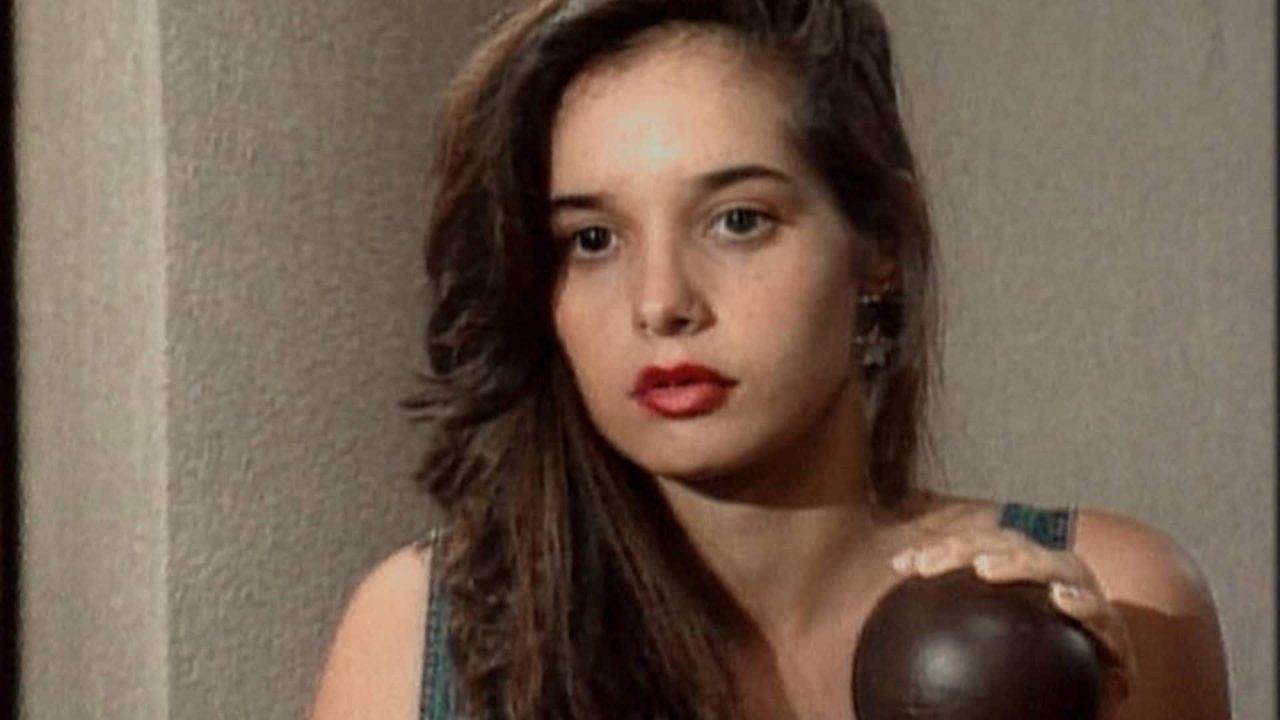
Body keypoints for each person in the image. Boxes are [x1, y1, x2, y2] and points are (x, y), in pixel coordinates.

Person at [309, 1, 1231, 718]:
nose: (661, 303)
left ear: (879, 244)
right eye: (593, 239)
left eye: (738, 221)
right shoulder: (423, 637)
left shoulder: (1113, 600)